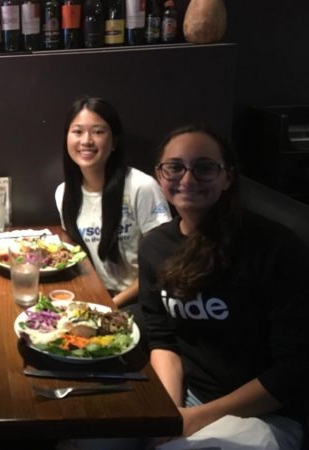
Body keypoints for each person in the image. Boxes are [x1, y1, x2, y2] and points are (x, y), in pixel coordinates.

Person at [138, 126, 307, 449]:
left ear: (228, 177)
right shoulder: (154, 247)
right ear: (160, 176)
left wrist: (195, 418)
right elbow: (163, 341)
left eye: (204, 167)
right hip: (188, 397)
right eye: (174, 167)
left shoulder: (275, 247)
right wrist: (168, 414)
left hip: (265, 415)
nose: (187, 180)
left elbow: (293, 370)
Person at [55, 96, 171, 308]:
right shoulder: (64, 193)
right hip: (94, 297)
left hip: (139, 302)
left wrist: (111, 304)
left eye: (98, 131)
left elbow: (163, 264)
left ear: (114, 141)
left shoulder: (141, 187)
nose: (86, 141)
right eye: (77, 131)